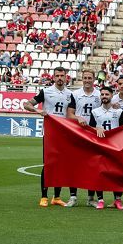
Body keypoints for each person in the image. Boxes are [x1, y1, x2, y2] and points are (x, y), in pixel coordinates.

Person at [24, 66, 75, 207]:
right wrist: (37, 110)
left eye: (62, 75)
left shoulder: (70, 94)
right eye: (57, 75)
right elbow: (26, 104)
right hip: (50, 134)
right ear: (53, 77)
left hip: (65, 134)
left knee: (61, 165)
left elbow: (71, 113)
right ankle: (44, 196)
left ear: (66, 77)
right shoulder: (45, 92)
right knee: (48, 165)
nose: (59, 78)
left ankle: (57, 197)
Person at [78, 86, 123, 210]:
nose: (104, 96)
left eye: (107, 94)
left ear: (111, 95)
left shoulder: (119, 112)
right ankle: (100, 199)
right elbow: (91, 129)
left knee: (116, 174)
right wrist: (97, 128)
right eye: (102, 94)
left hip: (115, 146)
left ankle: (117, 200)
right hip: (99, 146)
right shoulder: (95, 111)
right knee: (99, 173)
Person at [66, 69, 102, 207]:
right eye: (85, 77)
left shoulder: (99, 94)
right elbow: (70, 114)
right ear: (82, 79)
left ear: (94, 79)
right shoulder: (75, 94)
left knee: (93, 166)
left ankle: (90, 198)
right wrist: (78, 118)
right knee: (74, 165)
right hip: (78, 133)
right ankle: (73, 197)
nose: (87, 80)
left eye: (89, 78)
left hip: (93, 133)